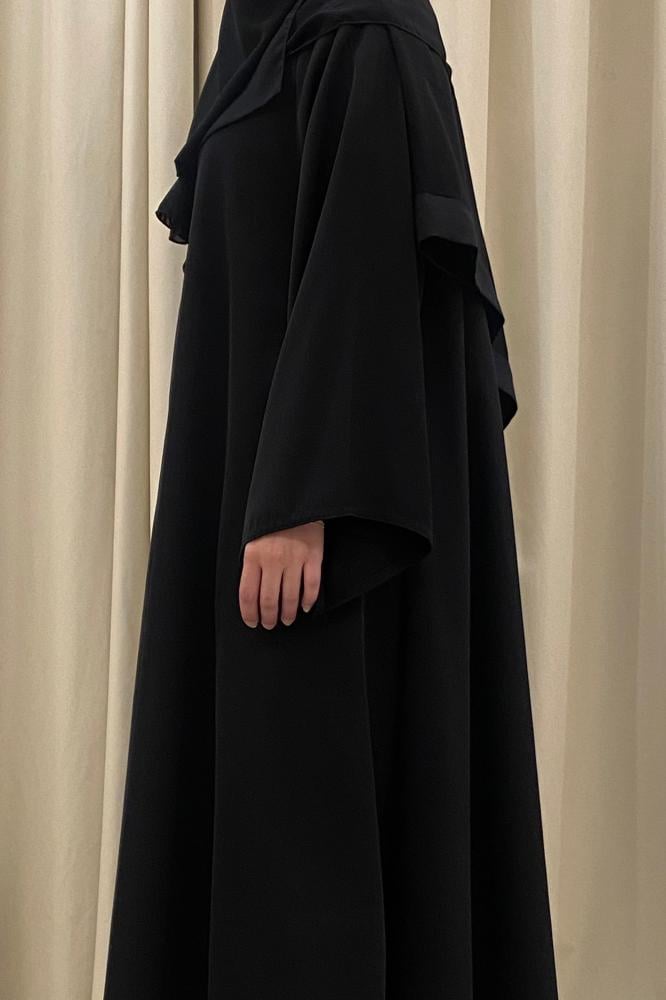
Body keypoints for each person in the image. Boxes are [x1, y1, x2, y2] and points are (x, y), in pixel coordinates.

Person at [104, 2, 559, 997]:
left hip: (336, 526)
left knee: (311, 831)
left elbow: (370, 258)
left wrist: (299, 495)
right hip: (255, 492)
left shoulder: (367, 27)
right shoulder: (259, 29)